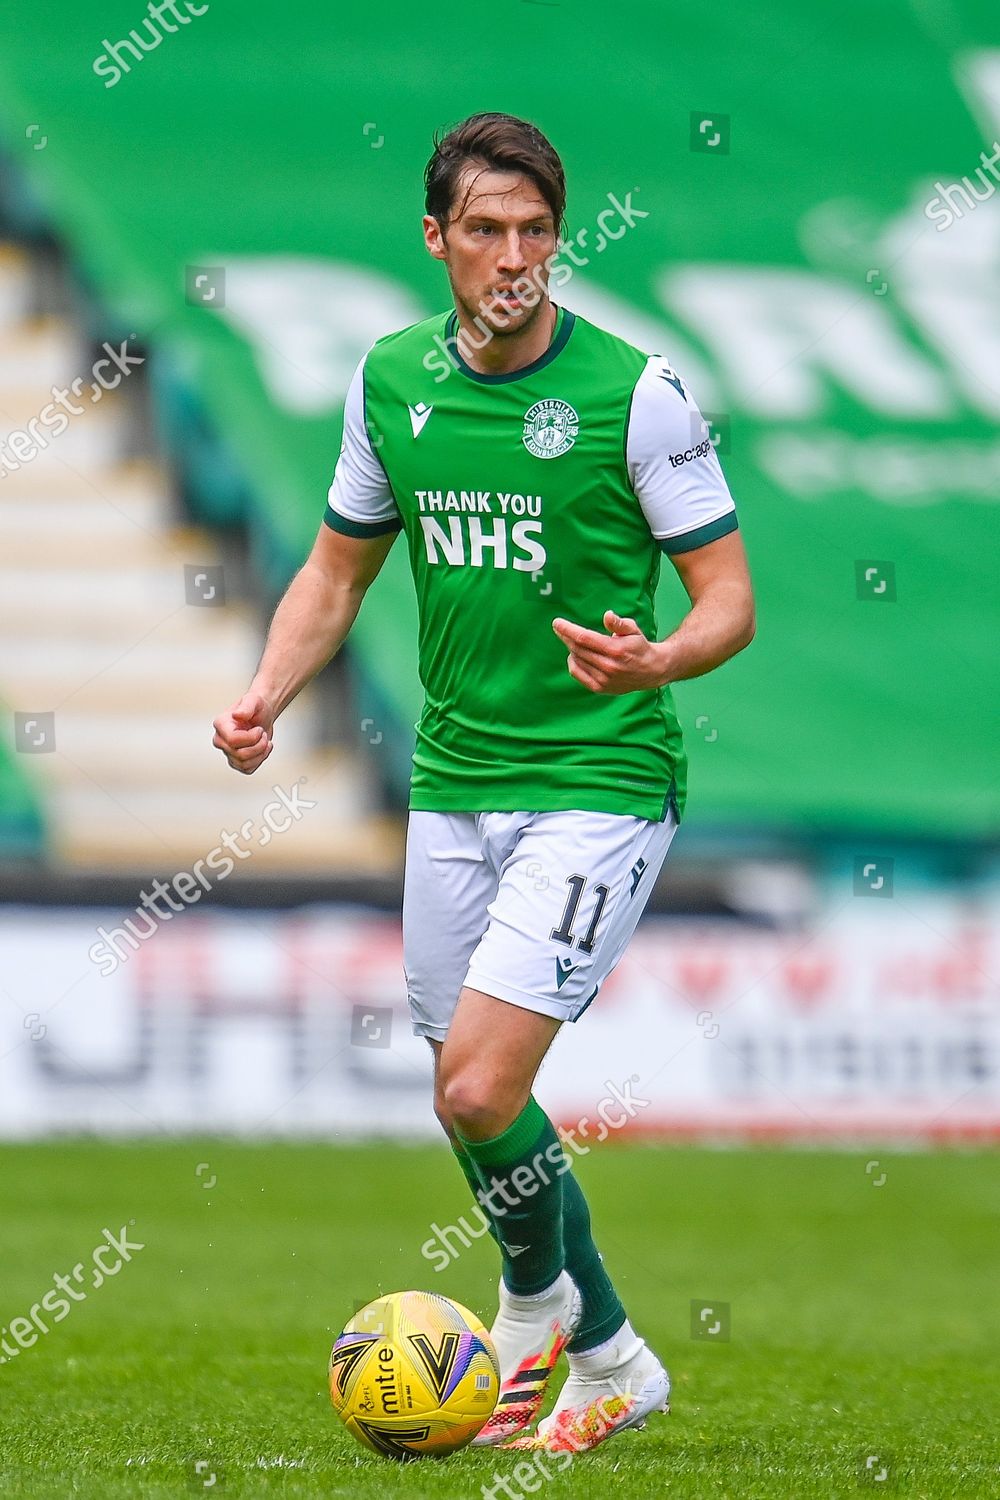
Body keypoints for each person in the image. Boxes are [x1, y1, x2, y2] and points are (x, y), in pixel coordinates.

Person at [213, 111, 755, 1454]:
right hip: (455, 783)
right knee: (467, 1088)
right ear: (437, 239)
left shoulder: (639, 395)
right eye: (486, 231)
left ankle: (532, 1315)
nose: (514, 257)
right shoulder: (390, 383)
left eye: (535, 233)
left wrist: (658, 659)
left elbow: (730, 601)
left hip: (599, 775)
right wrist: (265, 696)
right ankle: (616, 1361)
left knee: (474, 1089)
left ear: (557, 241)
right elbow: (336, 573)